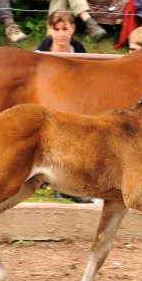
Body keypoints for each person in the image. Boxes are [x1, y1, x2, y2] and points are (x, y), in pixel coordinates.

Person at [34, 10, 90, 202]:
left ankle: (69, 184)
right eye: (56, 29)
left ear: (73, 29)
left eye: (65, 29)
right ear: (49, 29)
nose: (61, 34)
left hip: (75, 104)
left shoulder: (80, 51)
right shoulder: (39, 53)